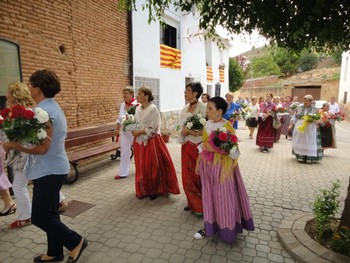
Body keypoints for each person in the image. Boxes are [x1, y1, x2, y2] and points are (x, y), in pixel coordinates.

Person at [2, 69, 88, 263]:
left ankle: (75, 241)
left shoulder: (45, 113)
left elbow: (42, 149)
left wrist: (12, 145)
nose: (29, 89)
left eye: (31, 85)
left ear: (38, 89)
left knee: (40, 217)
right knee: (51, 214)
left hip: (49, 170)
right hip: (51, 169)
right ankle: (54, 252)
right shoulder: (50, 108)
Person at [194, 96, 254, 242]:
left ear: (220, 111)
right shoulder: (207, 124)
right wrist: (198, 163)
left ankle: (227, 228)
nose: (207, 111)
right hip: (207, 168)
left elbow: (234, 152)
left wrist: (217, 150)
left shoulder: (226, 126)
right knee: (209, 197)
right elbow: (203, 147)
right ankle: (209, 228)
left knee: (223, 198)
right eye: (207, 108)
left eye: (210, 109)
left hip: (223, 170)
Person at [131, 87, 180, 200]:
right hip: (139, 141)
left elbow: (154, 127)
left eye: (139, 94)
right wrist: (131, 128)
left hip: (151, 141)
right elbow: (136, 122)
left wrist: (140, 132)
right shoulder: (138, 108)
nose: (137, 96)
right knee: (140, 165)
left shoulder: (153, 109)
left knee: (152, 166)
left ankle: (153, 190)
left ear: (146, 96)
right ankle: (143, 189)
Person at [5, 82, 34, 228]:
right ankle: (60, 200)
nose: (6, 95)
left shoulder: (22, 113)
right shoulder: (25, 111)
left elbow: (19, 137)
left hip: (24, 154)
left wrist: (7, 143)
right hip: (27, 153)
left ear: (16, 95)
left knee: (18, 186)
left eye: (9, 93)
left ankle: (25, 217)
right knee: (38, 178)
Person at [178, 82, 206, 215]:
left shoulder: (204, 108)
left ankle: (202, 204)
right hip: (187, 145)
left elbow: (208, 128)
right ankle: (192, 201)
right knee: (187, 174)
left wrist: (193, 132)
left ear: (195, 93)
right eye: (185, 90)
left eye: (188, 90)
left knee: (199, 174)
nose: (185, 92)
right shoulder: (185, 108)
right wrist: (184, 131)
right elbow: (182, 125)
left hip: (200, 146)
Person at [290, 94, 323, 163]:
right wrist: (292, 124)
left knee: (309, 141)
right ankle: (300, 156)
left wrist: (313, 120)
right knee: (300, 140)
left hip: (310, 127)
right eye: (304, 101)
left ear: (311, 102)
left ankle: (309, 157)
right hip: (300, 126)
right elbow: (295, 116)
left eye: (307, 101)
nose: (305, 102)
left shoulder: (315, 109)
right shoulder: (299, 107)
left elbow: (318, 119)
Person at [114, 86, 138, 180]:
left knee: (137, 151)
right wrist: (117, 130)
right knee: (124, 151)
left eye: (126, 93)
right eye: (123, 93)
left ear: (131, 94)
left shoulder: (137, 104)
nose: (124, 95)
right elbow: (119, 118)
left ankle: (140, 170)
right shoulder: (122, 105)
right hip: (124, 132)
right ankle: (123, 172)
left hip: (134, 132)